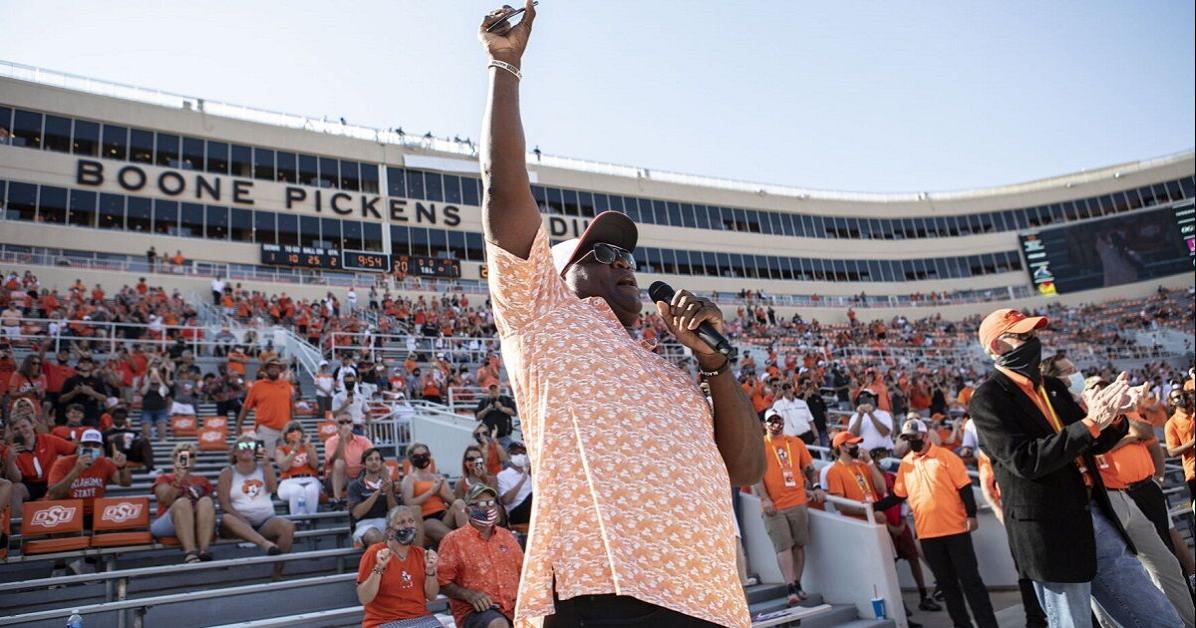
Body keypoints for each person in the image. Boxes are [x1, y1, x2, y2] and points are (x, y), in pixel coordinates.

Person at [476, 4, 763, 623]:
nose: (623, 261)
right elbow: (503, 191)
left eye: (627, 253)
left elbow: (745, 468)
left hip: (711, 600)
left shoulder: (676, 372)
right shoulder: (543, 314)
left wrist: (716, 365)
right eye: (601, 252)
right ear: (556, 276)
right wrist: (505, 67)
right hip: (606, 590)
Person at [967, 308, 1181, 627]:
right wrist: (1092, 422)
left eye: (1034, 334)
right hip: (1051, 531)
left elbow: (1092, 441)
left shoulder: (1052, 387)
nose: (1033, 341)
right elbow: (1026, 460)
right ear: (996, 347)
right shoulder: (987, 400)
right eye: (1023, 336)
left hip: (1092, 514)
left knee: (1158, 617)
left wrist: (1116, 415)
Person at [1083, 378, 1195, 626]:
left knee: (1167, 557)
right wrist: (1127, 438)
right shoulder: (1084, 419)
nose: (1102, 390)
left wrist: (1159, 477)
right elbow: (1097, 450)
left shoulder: (1124, 411)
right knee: (1124, 571)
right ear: (1084, 395)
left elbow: (1146, 435)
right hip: (1113, 497)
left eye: (1104, 386)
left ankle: (1188, 618)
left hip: (1146, 489)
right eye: (1094, 388)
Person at [875, 419, 997, 628]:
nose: (910, 442)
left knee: (971, 581)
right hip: (928, 534)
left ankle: (988, 625)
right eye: (906, 438)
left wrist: (971, 515)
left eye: (913, 437)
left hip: (956, 529)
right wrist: (875, 506)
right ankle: (962, 624)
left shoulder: (946, 457)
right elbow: (898, 495)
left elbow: (965, 487)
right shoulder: (906, 464)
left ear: (924, 435)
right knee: (947, 585)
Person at [754, 409, 821, 605]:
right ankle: (790, 585)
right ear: (765, 424)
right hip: (774, 506)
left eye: (778, 419)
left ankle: (798, 583)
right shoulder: (760, 445)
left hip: (797, 500)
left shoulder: (796, 442)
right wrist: (765, 498)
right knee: (783, 546)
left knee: (799, 544)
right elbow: (757, 476)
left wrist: (815, 486)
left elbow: (808, 467)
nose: (776, 424)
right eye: (771, 421)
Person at [439, 484, 524, 628]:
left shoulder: (507, 537)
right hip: (476, 611)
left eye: (491, 503)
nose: (488, 508)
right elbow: (441, 582)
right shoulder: (453, 540)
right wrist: (468, 595)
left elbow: (523, 572)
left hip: (514, 607)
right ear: (467, 510)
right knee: (498, 624)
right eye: (481, 504)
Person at [218, 434, 294, 578]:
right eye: (242, 446)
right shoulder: (227, 472)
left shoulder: (263, 467)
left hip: (264, 521)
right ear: (235, 452)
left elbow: (272, 490)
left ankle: (277, 573)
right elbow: (224, 504)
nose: (247, 448)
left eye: (251, 445)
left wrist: (266, 465)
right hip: (238, 522)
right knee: (227, 518)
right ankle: (265, 544)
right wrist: (242, 519)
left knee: (287, 526)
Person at [356, 505, 441, 628]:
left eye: (411, 521)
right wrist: (379, 568)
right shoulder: (374, 552)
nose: (408, 526)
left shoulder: (421, 554)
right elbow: (364, 598)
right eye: (401, 522)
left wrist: (430, 571)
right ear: (390, 531)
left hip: (421, 618)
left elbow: (432, 596)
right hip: (384, 622)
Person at [151, 443, 215, 563]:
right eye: (181, 454)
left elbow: (208, 508)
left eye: (191, 455)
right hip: (168, 521)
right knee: (182, 503)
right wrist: (178, 480)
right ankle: (190, 552)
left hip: (195, 520)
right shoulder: (164, 478)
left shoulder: (202, 480)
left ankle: (204, 550)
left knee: (206, 501)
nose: (187, 458)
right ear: (174, 457)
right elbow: (166, 500)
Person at [46, 429, 131, 517]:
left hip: (95, 512)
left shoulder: (105, 463)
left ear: (101, 448)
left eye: (96, 445)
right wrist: (77, 470)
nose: (91, 448)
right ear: (79, 446)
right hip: (67, 512)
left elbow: (126, 483)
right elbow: (53, 495)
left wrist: (122, 467)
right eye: (86, 445)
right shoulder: (62, 463)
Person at [5, 410, 76, 506]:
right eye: (16, 429)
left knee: (68, 482)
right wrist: (10, 461)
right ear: (12, 432)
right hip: (30, 485)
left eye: (24, 426)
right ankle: (16, 521)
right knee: (16, 489)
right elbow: (16, 479)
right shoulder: (11, 450)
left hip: (53, 480)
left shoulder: (48, 439)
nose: (21, 430)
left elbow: (73, 450)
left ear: (32, 425)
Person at [401, 442, 466, 545]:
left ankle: (469, 537)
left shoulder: (438, 478)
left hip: (443, 515)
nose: (422, 458)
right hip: (426, 518)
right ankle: (464, 544)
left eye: (424, 455)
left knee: (459, 503)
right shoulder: (409, 479)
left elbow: (452, 501)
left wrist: (441, 492)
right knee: (450, 536)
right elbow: (408, 502)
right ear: (411, 459)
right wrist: (431, 491)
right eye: (417, 456)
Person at [823, 431, 886, 523]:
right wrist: (866, 511)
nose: (857, 446)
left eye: (856, 443)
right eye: (853, 443)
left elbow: (882, 489)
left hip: (876, 518)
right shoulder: (834, 471)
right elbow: (840, 505)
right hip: (857, 523)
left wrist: (870, 462)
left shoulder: (863, 464)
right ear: (842, 447)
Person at [235, 358, 294, 455]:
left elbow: (290, 407)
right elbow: (246, 408)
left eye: (276, 367)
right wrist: (238, 426)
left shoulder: (286, 385)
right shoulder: (257, 386)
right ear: (266, 370)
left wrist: (292, 426)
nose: (274, 369)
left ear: (280, 370)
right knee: (263, 459)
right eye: (271, 367)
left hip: (285, 429)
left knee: (285, 462)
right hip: (266, 429)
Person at [349, 447, 400, 547]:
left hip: (387, 522)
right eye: (370, 459)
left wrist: (389, 492)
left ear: (381, 463)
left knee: (408, 531)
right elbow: (357, 514)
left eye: (377, 459)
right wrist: (378, 492)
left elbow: (394, 512)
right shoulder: (355, 485)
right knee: (375, 537)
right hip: (364, 525)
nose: (374, 462)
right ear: (363, 464)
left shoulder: (389, 484)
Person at [323, 411, 374, 510]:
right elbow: (335, 460)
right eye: (341, 422)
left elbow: (372, 457)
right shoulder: (330, 441)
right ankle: (337, 500)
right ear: (337, 425)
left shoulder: (363, 440)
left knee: (373, 461)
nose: (345, 424)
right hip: (339, 479)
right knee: (339, 463)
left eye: (348, 421)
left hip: (360, 475)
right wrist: (342, 440)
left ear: (352, 424)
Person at [275, 421, 321, 517]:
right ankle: (298, 520)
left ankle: (311, 518)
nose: (295, 432)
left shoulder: (309, 447)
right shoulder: (281, 449)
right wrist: (294, 449)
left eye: (298, 430)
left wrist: (308, 447)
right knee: (296, 490)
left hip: (310, 479)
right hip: (289, 481)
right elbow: (284, 466)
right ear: (286, 435)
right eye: (291, 431)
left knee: (311, 490)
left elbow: (315, 465)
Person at [1165, 385, 1195, 509]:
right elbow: (1171, 451)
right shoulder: (1171, 424)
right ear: (1172, 402)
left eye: (1183, 395)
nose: (1182, 398)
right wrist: (1192, 442)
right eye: (1177, 397)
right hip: (1193, 471)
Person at [102, 405, 154, 472]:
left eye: (122, 419)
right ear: (112, 418)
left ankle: (150, 469)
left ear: (125, 419)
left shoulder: (133, 432)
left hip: (130, 453)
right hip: (114, 455)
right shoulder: (105, 434)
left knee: (144, 440)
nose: (119, 421)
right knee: (119, 438)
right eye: (117, 418)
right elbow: (103, 448)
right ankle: (119, 469)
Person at [495, 441, 532, 526]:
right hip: (515, 512)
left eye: (522, 453)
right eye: (516, 453)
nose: (520, 455)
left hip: (531, 509)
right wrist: (522, 480)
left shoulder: (530, 473)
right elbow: (505, 500)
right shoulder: (503, 475)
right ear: (509, 456)